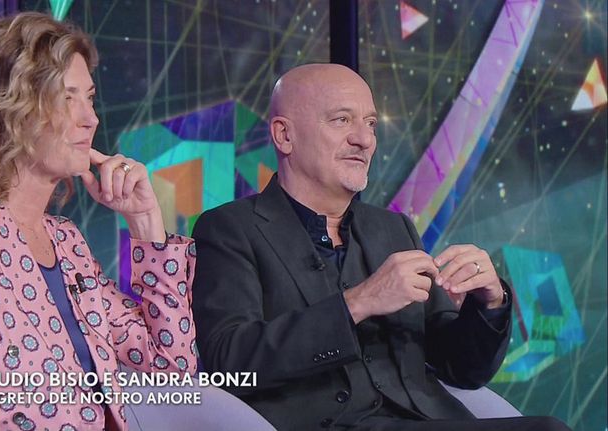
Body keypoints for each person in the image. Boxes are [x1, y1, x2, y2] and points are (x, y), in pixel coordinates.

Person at [191, 63, 570, 431]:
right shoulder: (230, 229)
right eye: (342, 120)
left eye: (370, 123)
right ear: (284, 135)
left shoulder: (392, 229)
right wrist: (358, 302)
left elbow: (462, 370)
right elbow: (229, 363)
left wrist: (490, 303)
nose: (365, 139)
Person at [0, 12, 197, 431]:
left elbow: (172, 370)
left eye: (89, 97)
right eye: (67, 98)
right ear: (9, 110)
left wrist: (145, 221)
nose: (90, 118)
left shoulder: (67, 242)